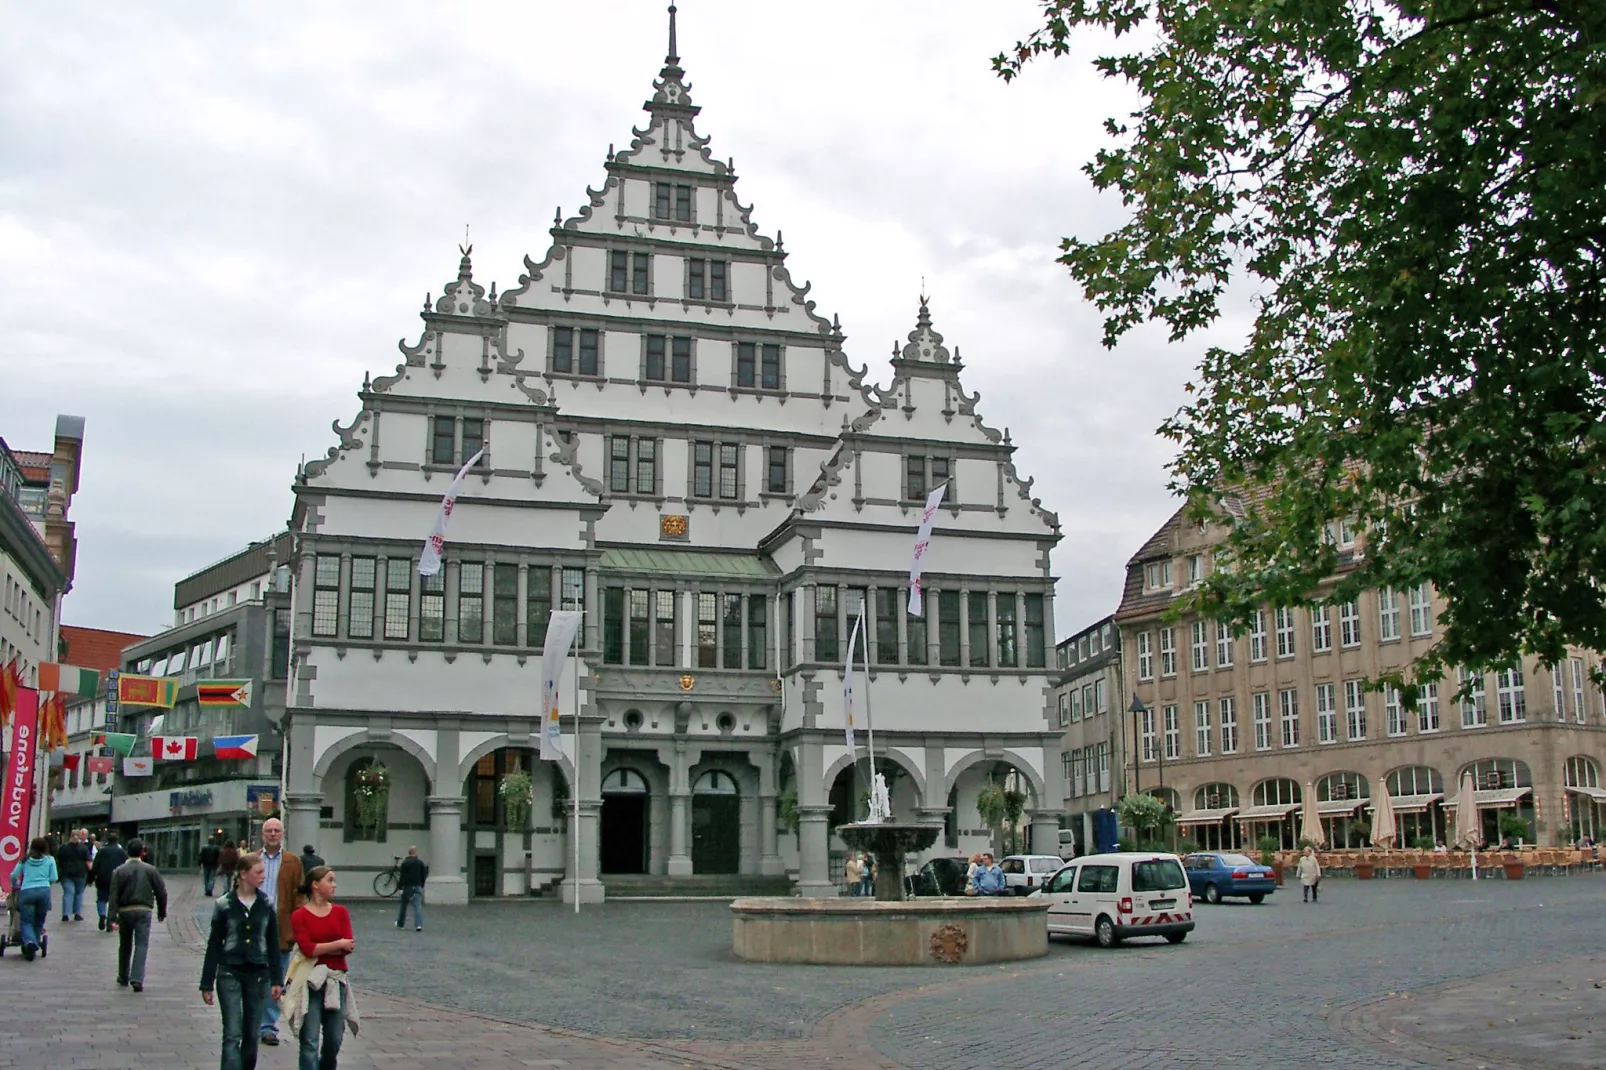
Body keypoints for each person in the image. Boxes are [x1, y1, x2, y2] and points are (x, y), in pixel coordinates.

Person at [201, 853, 283, 1070]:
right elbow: (215, 944)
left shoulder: (266, 904)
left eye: (264, 872)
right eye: (259, 872)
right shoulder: (224, 904)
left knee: (251, 1032)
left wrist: (276, 980)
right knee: (232, 1032)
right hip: (229, 971)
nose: (263, 877)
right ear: (243, 874)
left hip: (258, 973)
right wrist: (206, 982)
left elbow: (273, 943)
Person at [285, 866, 358, 1070]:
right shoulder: (300, 915)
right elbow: (308, 949)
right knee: (309, 1040)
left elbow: (349, 947)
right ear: (315, 885)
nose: (334, 885)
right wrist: (337, 944)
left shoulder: (340, 912)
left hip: (335, 980)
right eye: (330, 880)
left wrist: (327, 948)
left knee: (334, 1038)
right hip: (309, 982)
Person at [257, 817, 305, 1048]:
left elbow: (298, 898)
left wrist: (296, 928)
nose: (273, 834)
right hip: (254, 926)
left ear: (283, 834)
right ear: (262, 834)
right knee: (253, 974)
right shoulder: (251, 860)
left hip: (281, 928)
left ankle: (267, 1026)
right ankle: (251, 1021)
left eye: (276, 830)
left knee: (276, 979)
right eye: (269, 830)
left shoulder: (293, 862)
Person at [111, 836, 168, 991]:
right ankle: (137, 978)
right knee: (141, 944)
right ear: (142, 852)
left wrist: (112, 918)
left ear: (127, 852)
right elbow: (161, 892)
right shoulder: (150, 870)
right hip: (144, 909)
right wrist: (162, 911)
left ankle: (123, 975)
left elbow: (114, 895)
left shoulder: (119, 871)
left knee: (125, 944)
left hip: (125, 910)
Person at [9, 837, 58, 961]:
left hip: (27, 891)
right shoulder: (50, 860)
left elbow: (14, 875)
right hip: (44, 891)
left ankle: (29, 942)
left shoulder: (24, 860)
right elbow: (54, 878)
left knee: (26, 921)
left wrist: (15, 884)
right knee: (39, 921)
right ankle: (35, 942)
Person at [91, 831, 128, 932]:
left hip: (103, 878)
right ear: (117, 840)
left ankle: (102, 914)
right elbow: (126, 866)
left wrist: (92, 877)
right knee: (114, 901)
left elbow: (95, 865)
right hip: (117, 879)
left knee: (101, 899)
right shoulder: (122, 852)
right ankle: (110, 922)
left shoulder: (102, 851)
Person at [56, 827, 91, 922]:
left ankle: (65, 914)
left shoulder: (63, 847)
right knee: (79, 893)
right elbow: (88, 862)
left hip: (66, 873)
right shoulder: (83, 848)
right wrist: (92, 873)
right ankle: (77, 913)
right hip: (80, 873)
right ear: (79, 836)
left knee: (68, 893)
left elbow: (58, 859)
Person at [396, 846, 427, 931]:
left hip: (407, 886)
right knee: (417, 906)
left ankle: (400, 924)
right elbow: (424, 875)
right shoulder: (420, 863)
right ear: (415, 853)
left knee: (404, 905)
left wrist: (400, 887)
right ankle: (418, 925)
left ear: (409, 853)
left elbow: (402, 876)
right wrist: (422, 885)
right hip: (417, 885)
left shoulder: (405, 863)